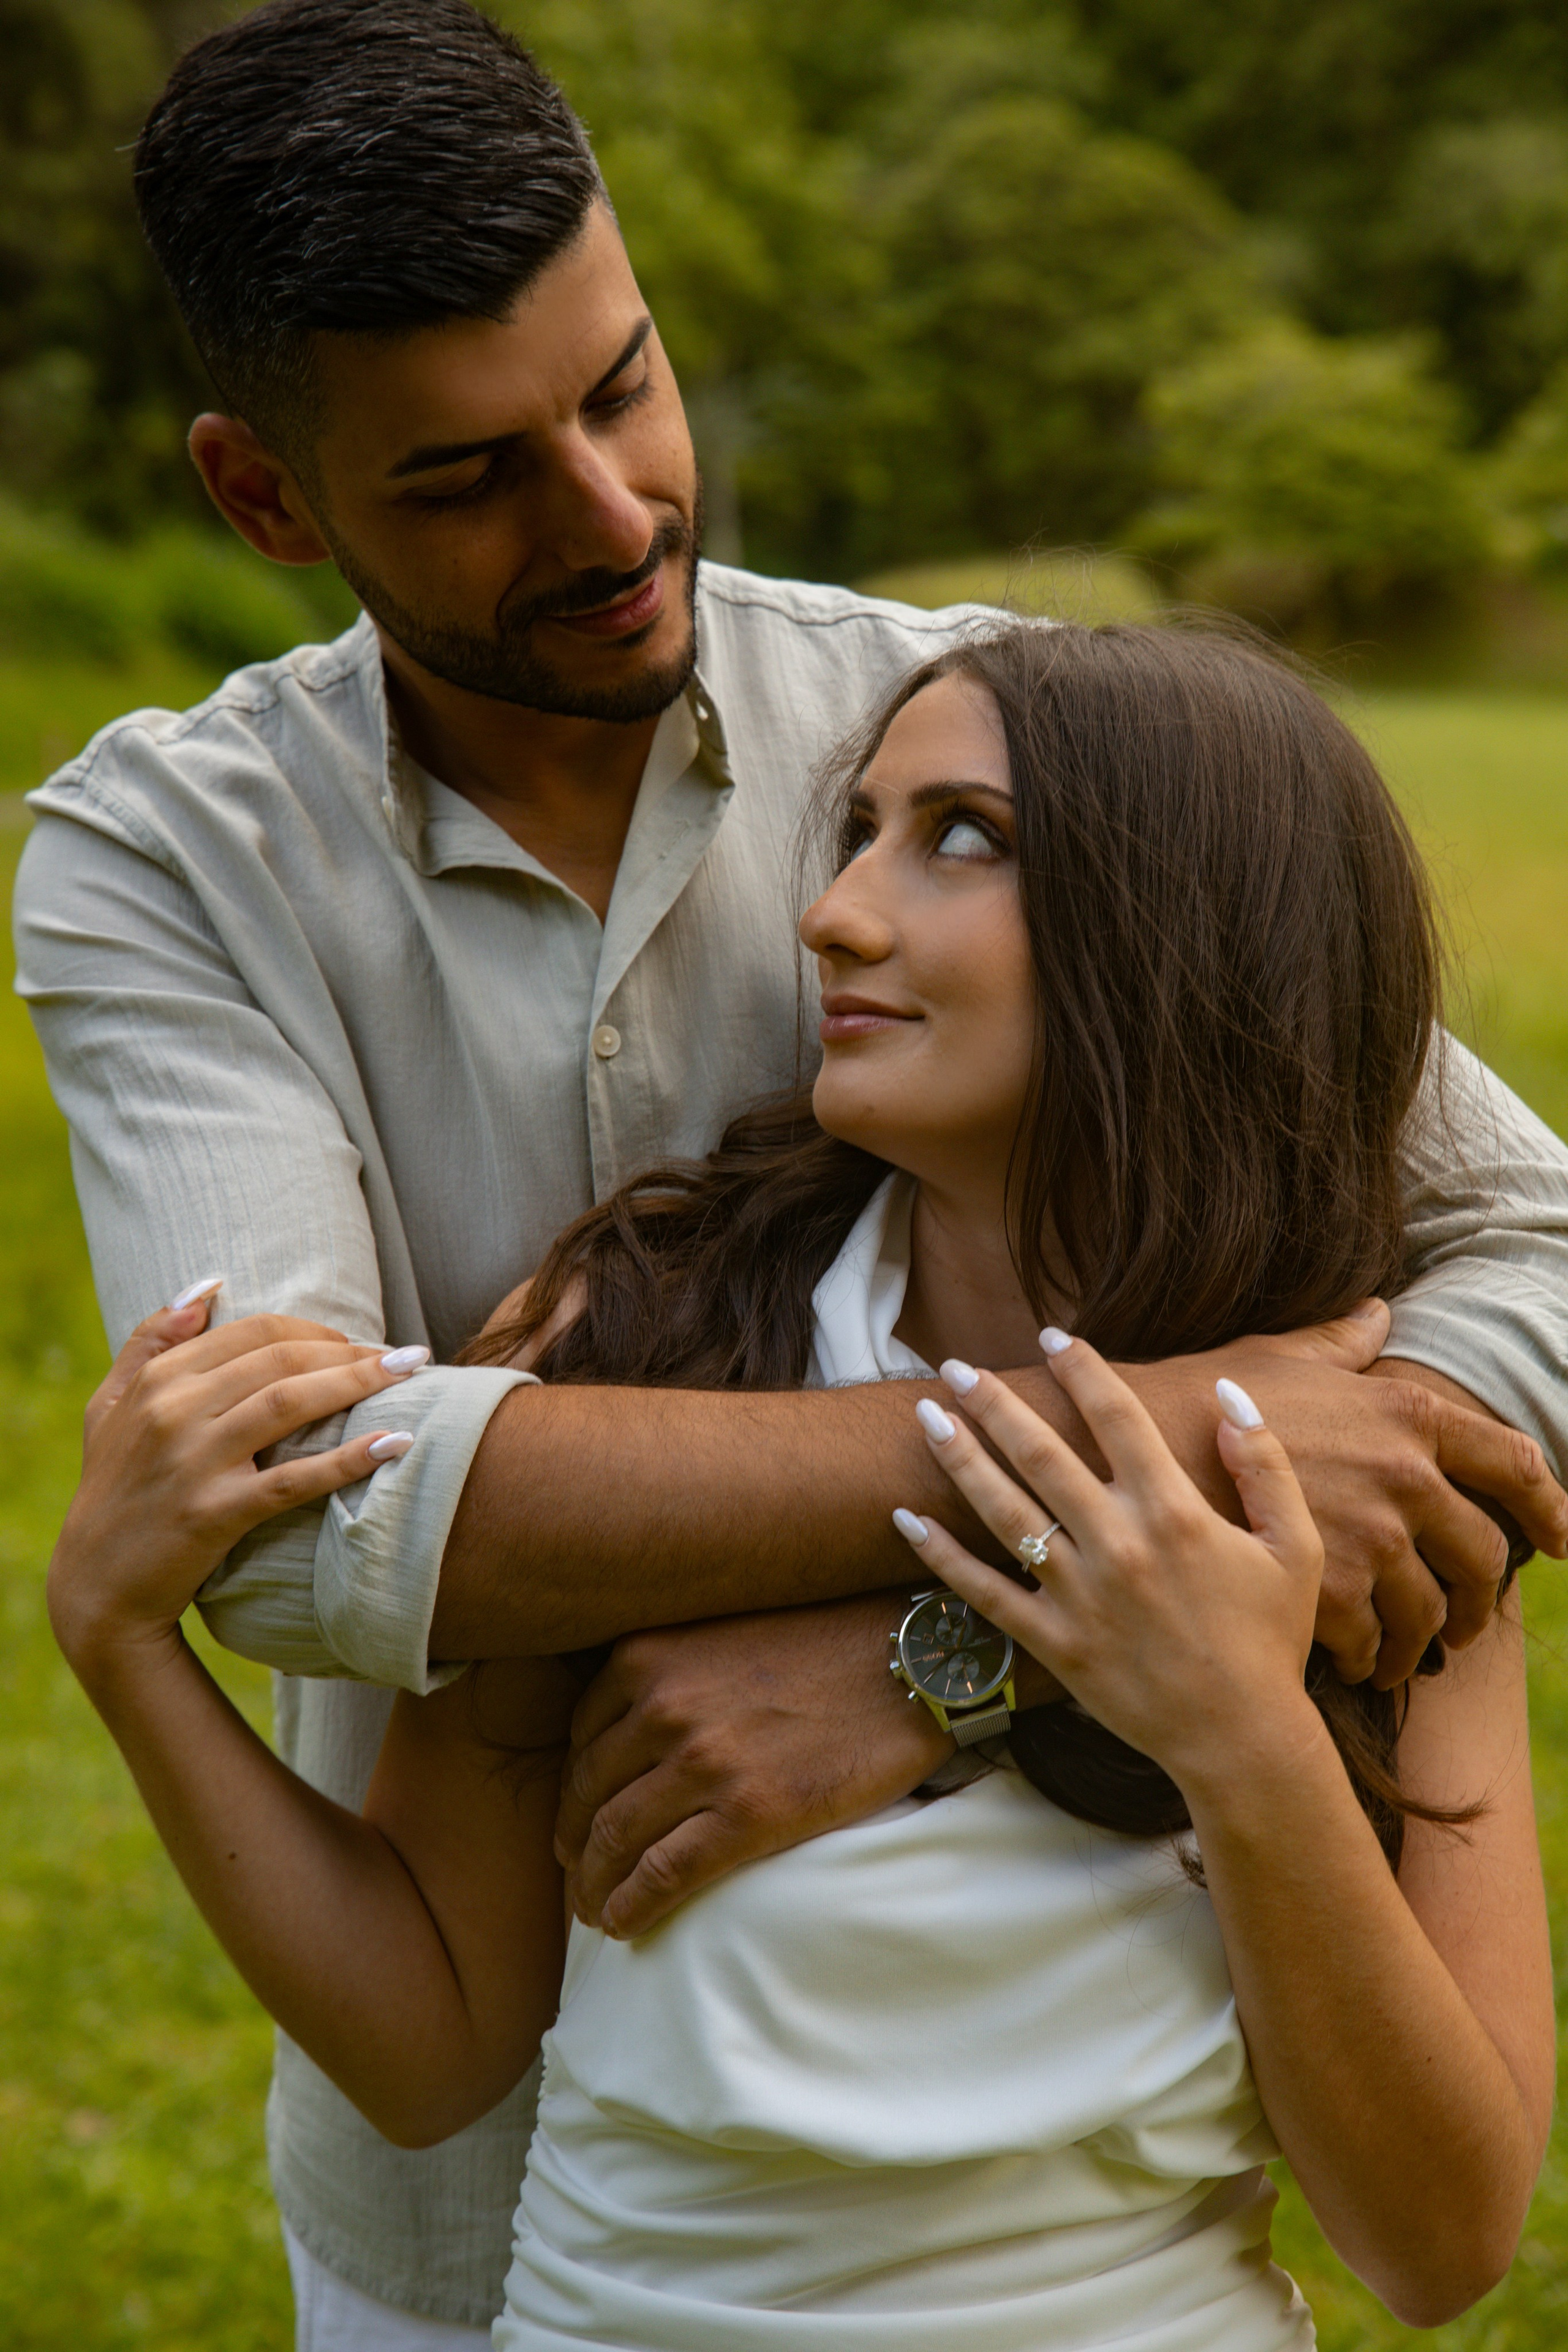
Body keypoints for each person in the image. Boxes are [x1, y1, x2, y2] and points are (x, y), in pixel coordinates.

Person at [15, 0, 1568, 2342]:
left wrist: (941, 1652)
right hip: (490, 2243)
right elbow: (322, 1507)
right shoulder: (165, 861)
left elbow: (1532, 1244)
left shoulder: (998, 720)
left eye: (625, 387)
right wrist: (1146, 1453)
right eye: (468, 478)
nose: (617, 513)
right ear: (269, 499)